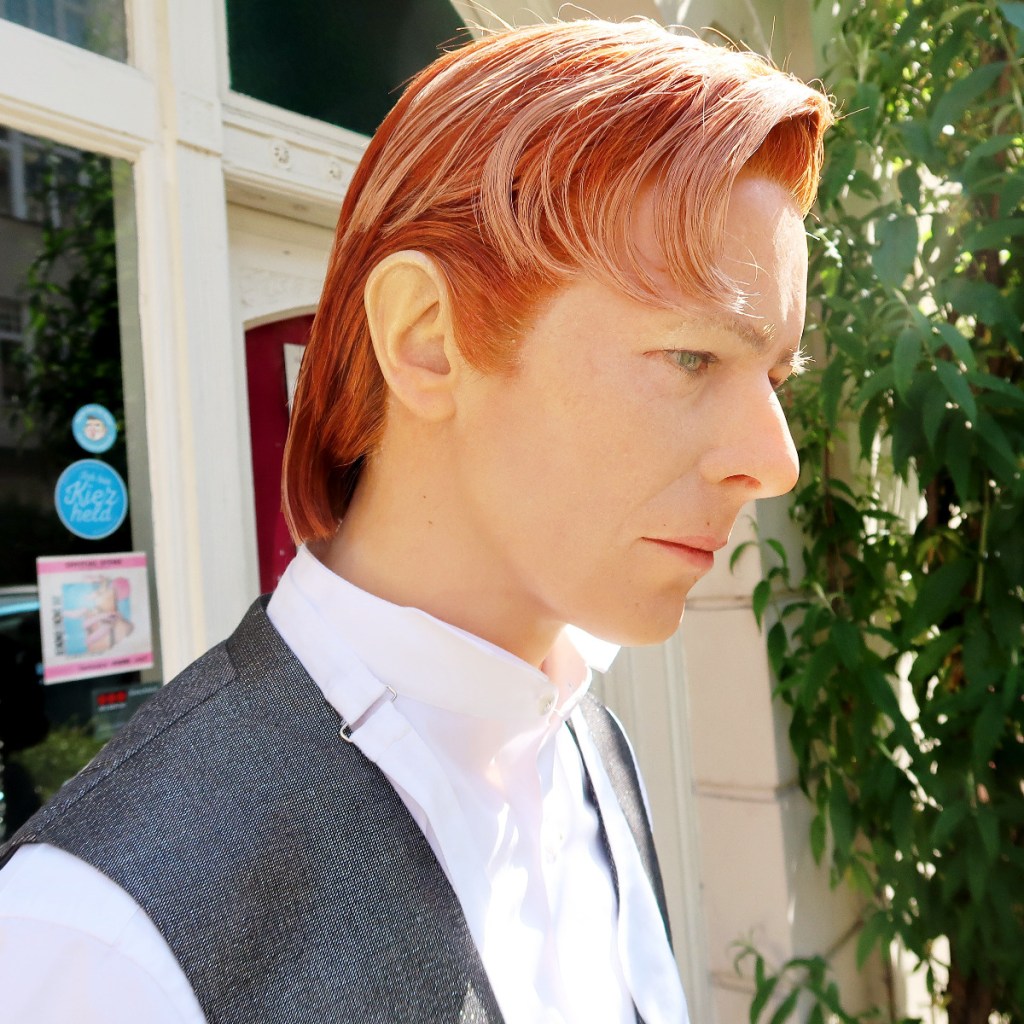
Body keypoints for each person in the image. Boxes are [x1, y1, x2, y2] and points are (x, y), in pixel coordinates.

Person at [0, 18, 832, 1023]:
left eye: (775, 377)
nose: (774, 462)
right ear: (426, 338)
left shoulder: (593, 754)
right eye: (692, 356)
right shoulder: (97, 939)